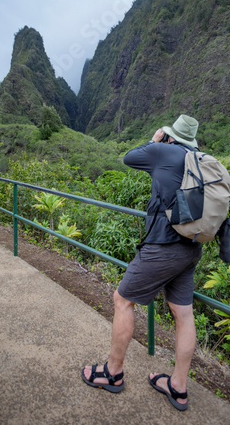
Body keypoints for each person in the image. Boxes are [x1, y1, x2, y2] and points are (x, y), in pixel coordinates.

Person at [82, 114, 202, 411]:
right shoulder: (199, 159)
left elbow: (128, 157)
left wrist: (154, 139)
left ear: (172, 135)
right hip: (192, 247)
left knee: (122, 300)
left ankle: (112, 372)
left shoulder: (164, 150)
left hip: (163, 246)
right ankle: (178, 387)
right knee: (183, 314)